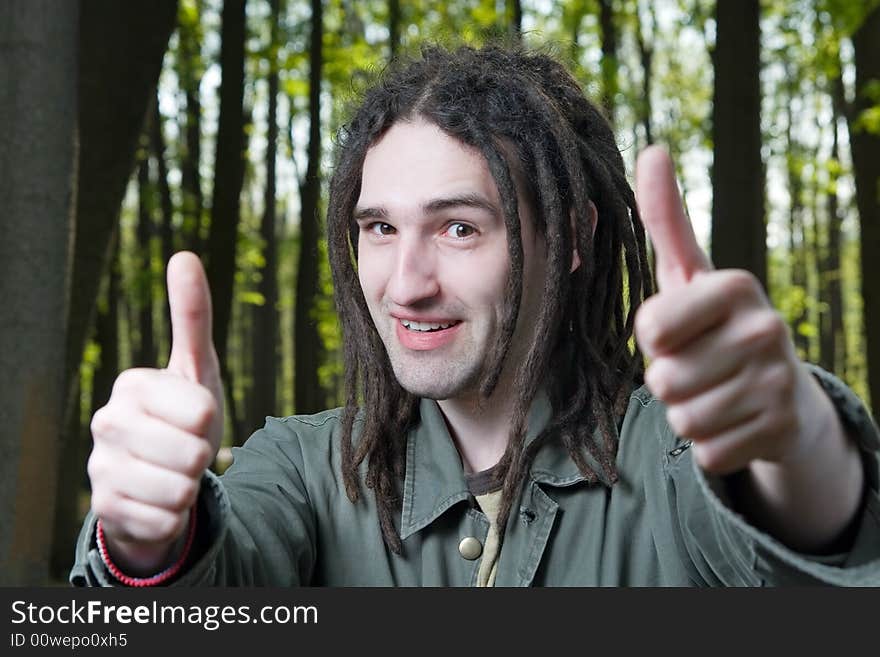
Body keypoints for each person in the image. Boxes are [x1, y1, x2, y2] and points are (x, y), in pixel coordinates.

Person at [72, 44, 880, 587]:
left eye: (459, 227)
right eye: (380, 228)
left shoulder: (668, 458)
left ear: (568, 237)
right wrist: (146, 540)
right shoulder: (302, 469)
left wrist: (800, 448)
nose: (405, 284)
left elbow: (806, 565)